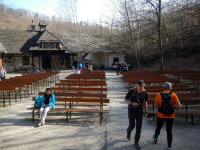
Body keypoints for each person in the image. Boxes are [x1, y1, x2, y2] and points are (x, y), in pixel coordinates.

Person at [153, 82, 182, 150]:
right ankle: (169, 146)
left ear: (164, 87)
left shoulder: (158, 95)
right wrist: (174, 106)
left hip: (161, 115)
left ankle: (155, 138)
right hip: (171, 116)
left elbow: (157, 106)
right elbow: (180, 106)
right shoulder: (174, 95)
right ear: (170, 88)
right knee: (169, 131)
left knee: (158, 128)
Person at [124, 80, 148, 150]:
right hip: (131, 110)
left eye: (143, 86)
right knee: (132, 125)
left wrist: (146, 111)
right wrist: (131, 103)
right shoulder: (131, 91)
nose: (142, 87)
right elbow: (125, 100)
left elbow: (145, 102)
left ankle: (136, 142)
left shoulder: (145, 92)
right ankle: (128, 131)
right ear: (137, 85)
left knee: (139, 127)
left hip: (139, 111)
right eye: (140, 86)